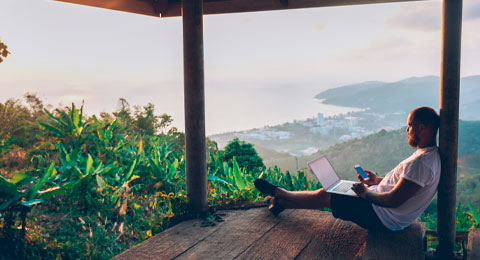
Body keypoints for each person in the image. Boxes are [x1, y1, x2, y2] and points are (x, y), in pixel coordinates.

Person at [254, 106, 441, 231]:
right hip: (380, 205)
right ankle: (281, 203)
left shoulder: (421, 163)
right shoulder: (427, 156)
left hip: (382, 216)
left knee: (327, 195)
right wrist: (377, 181)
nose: (406, 130)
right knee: (332, 189)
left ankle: (279, 192)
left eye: (409, 126)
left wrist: (366, 194)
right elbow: (402, 186)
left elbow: (393, 200)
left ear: (421, 128)